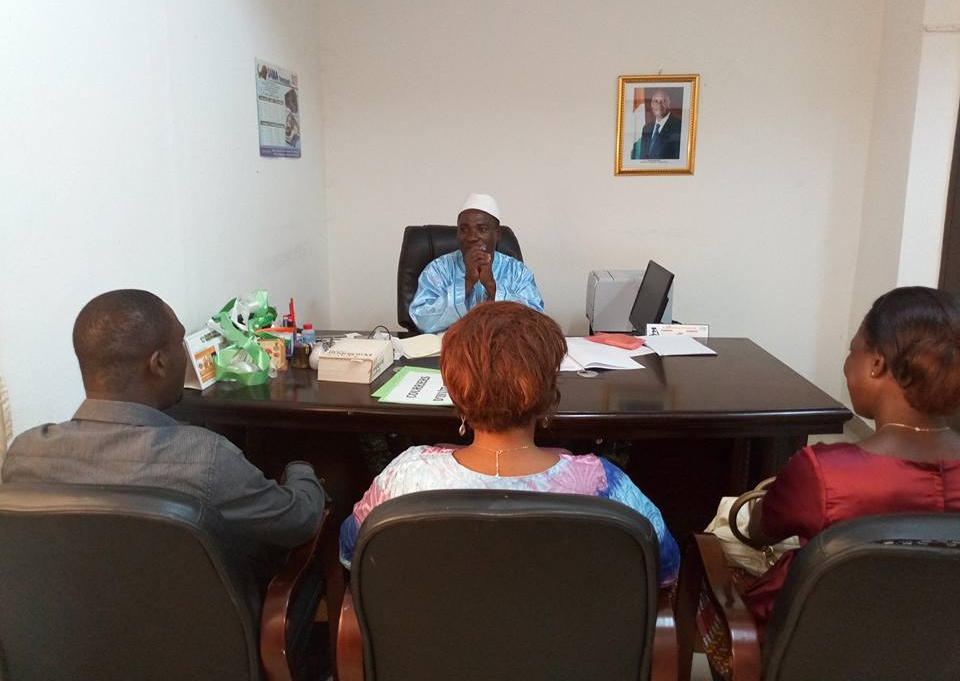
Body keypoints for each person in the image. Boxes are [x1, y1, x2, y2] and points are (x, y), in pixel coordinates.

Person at [697, 286, 960, 676]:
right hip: (939, 652)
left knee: (710, 556)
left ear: (876, 365)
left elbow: (758, 529)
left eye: (853, 352)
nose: (847, 365)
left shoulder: (825, 472)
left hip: (812, 649)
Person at [2, 290, 325, 595]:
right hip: (203, 640)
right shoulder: (207, 459)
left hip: (70, 643)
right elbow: (298, 521)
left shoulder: (25, 454)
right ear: (158, 363)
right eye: (180, 345)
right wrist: (301, 470)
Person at [340, 301, 680, 584]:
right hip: (572, 660)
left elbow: (350, 551)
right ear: (550, 397)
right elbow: (665, 567)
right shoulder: (602, 484)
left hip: (429, 659)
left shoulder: (404, 477)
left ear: (456, 394)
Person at [408, 193, 544, 333]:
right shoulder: (438, 270)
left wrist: (492, 286)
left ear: (497, 234)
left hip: (502, 348)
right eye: (464, 230)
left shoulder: (517, 271)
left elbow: (536, 321)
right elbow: (421, 320)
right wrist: (466, 283)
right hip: (451, 348)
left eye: (482, 229)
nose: (472, 237)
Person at [630, 88, 682, 160]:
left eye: (663, 101)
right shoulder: (647, 128)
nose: (659, 104)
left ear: (669, 104)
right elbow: (643, 157)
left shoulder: (678, 126)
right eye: (656, 101)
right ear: (652, 105)